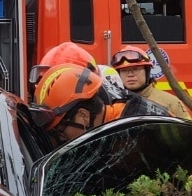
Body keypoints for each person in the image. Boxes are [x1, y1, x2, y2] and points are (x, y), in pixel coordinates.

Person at [35, 61, 167, 143]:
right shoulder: (112, 121)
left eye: (60, 131)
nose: (62, 139)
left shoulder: (134, 129)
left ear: (83, 116)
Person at [111, 46, 192, 120]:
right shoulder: (112, 105)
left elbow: (189, 133)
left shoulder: (171, 103)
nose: (130, 74)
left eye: (135, 69)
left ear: (147, 71)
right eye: (124, 71)